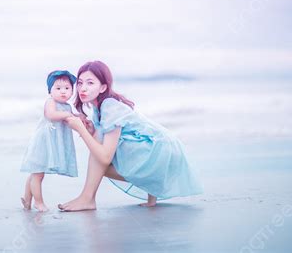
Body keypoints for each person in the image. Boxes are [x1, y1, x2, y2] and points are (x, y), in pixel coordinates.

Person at [58, 61, 203, 211]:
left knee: (101, 158)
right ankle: (89, 198)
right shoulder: (99, 107)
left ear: (103, 87)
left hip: (160, 152)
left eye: (90, 83)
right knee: (100, 152)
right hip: (160, 149)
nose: (83, 88)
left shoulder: (109, 106)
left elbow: (105, 157)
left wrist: (81, 129)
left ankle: (87, 199)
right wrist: (91, 130)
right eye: (80, 83)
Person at [20, 70, 79, 212]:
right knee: (38, 174)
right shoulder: (50, 102)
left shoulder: (67, 107)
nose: (63, 91)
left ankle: (27, 199)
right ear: (50, 91)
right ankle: (38, 202)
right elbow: (51, 115)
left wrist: (78, 117)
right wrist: (68, 114)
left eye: (67, 88)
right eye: (58, 88)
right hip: (44, 142)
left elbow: (69, 120)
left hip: (52, 143)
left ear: (72, 91)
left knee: (36, 172)